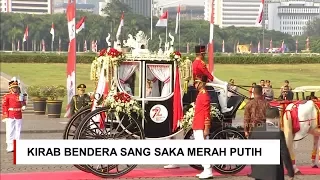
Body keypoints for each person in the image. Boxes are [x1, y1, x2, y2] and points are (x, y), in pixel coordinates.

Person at [249, 107, 295, 180]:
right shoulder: (278, 132)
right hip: (274, 172)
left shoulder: (255, 130)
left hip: (258, 171)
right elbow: (284, 153)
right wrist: (290, 171)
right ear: (276, 117)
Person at [192, 45, 233, 113]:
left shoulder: (194, 63)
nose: (205, 56)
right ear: (201, 54)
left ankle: (223, 107)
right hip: (202, 83)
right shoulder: (200, 64)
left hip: (200, 82)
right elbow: (210, 77)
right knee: (222, 88)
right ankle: (224, 108)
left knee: (220, 87)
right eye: (204, 54)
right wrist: (224, 83)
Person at [192, 75, 213, 179]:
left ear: (201, 83)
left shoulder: (204, 95)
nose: (195, 84)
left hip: (201, 125)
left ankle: (208, 170)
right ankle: (205, 169)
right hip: (198, 124)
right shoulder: (200, 94)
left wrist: (206, 127)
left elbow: (207, 112)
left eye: (196, 82)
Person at [1, 81, 26, 153]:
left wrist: (23, 106)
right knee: (10, 131)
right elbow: (4, 106)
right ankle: (9, 146)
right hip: (10, 114)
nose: (15, 89)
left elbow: (23, 103)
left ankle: (17, 145)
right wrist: (5, 116)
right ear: (11, 89)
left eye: (16, 88)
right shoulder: (7, 96)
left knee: (18, 131)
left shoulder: (21, 95)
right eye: (14, 88)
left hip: (18, 114)